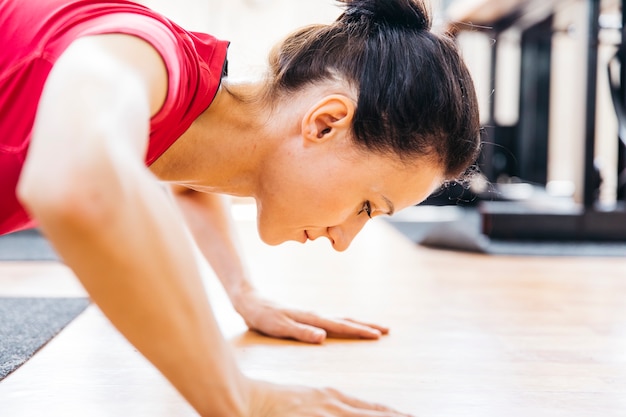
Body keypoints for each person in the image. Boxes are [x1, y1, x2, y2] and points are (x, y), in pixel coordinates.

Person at [0, 0, 480, 415]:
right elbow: (78, 186)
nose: (343, 239)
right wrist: (236, 397)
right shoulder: (137, 52)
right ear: (326, 122)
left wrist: (243, 291)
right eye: (367, 206)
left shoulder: (188, 102)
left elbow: (188, 183)